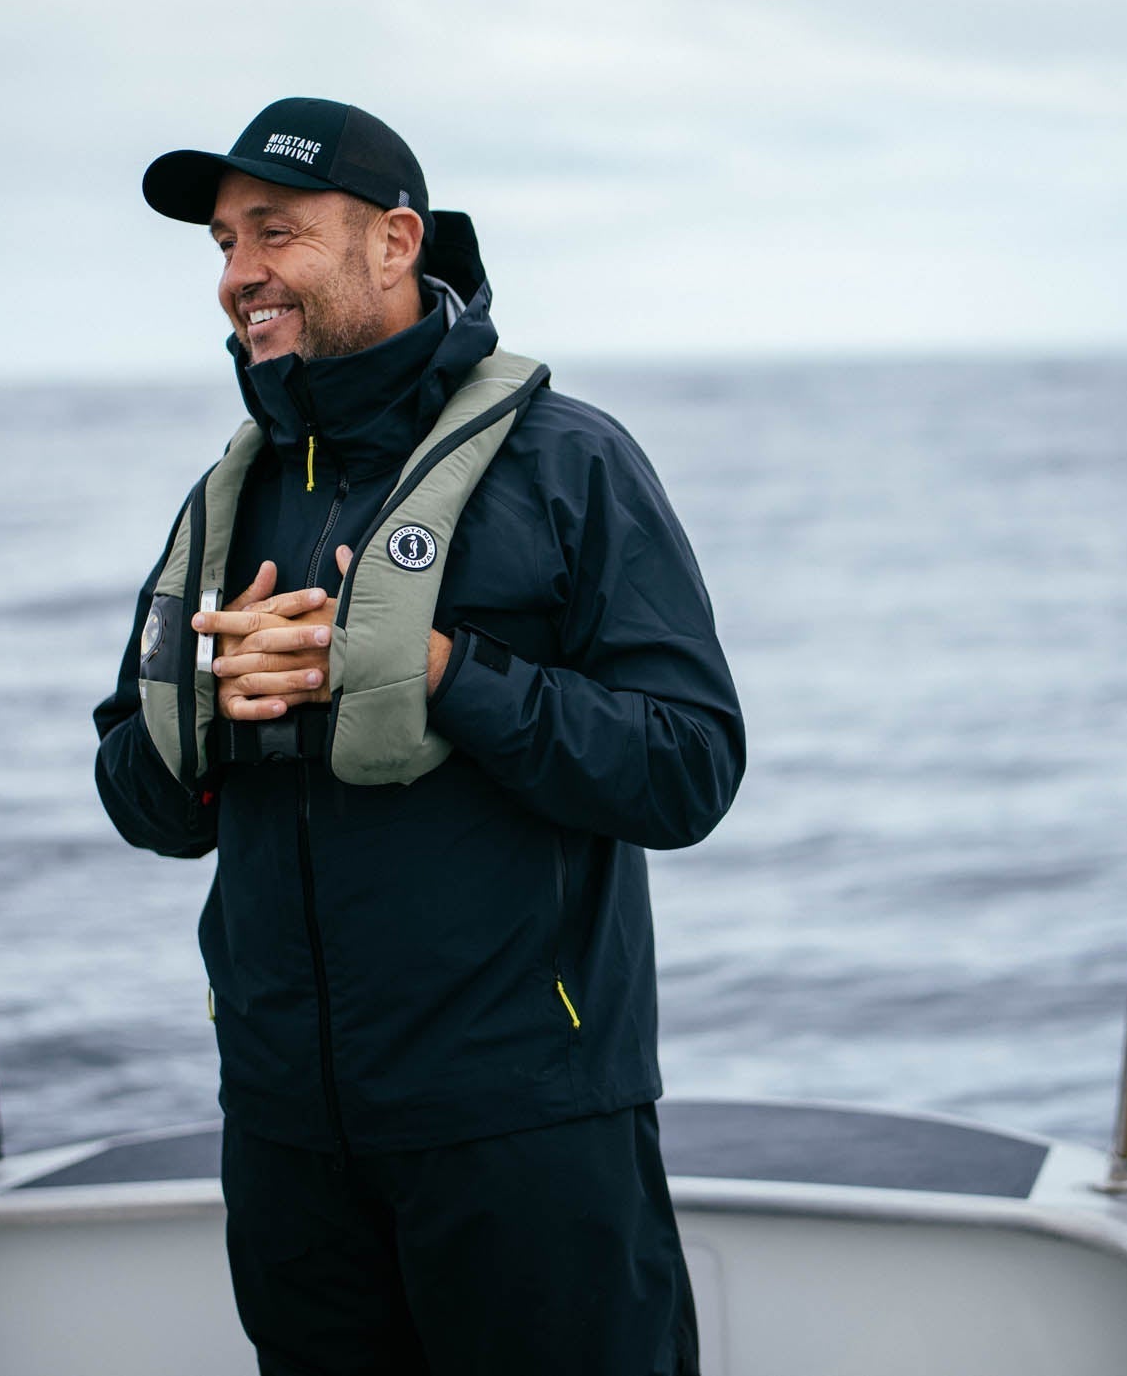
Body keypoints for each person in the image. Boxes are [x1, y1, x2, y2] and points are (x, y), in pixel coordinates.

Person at [92, 97, 745, 1375]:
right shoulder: (229, 497)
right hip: (286, 1137)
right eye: (224, 243)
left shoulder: (569, 462)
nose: (238, 275)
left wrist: (443, 670)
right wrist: (212, 708)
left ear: (396, 242)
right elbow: (140, 799)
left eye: (274, 231)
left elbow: (687, 765)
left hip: (524, 1122)